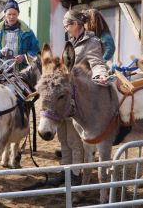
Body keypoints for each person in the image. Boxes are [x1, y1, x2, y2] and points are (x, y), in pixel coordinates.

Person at [50, 9, 109, 186]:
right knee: (63, 138)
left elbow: (97, 63)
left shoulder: (92, 42)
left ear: (76, 24)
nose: (66, 29)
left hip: (79, 99)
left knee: (74, 141)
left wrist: (100, 75)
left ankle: (75, 175)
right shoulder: (72, 42)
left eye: (67, 25)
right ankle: (65, 170)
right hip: (65, 95)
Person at [0, 0, 40, 70]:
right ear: (5, 14)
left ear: (18, 14)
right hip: (1, 73)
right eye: (9, 14)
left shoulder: (28, 32)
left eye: (14, 14)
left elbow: (36, 51)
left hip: (22, 74)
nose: (12, 17)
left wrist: (24, 57)